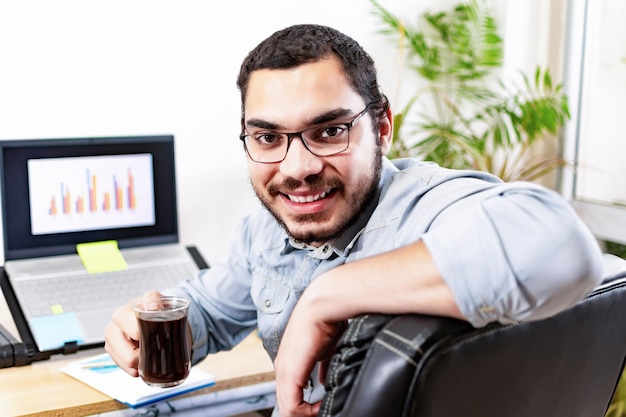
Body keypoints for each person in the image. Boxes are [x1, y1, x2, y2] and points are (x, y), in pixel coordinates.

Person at [104, 24, 604, 417]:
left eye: (330, 131)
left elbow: (562, 245)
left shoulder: (423, 209)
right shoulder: (270, 224)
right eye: (268, 138)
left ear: (382, 127)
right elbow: (214, 309)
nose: (297, 169)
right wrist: (149, 322)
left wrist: (328, 294)